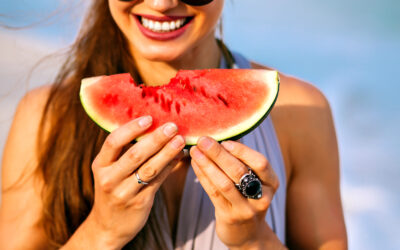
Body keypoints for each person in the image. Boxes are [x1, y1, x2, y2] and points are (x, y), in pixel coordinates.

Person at [0, 0, 347, 249]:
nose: (162, 3)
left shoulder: (301, 111)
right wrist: (102, 231)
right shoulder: (45, 117)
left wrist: (253, 239)